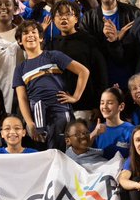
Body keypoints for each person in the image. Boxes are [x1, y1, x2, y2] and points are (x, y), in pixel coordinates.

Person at [13, 20, 89, 150]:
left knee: (61, 151)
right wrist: (30, 122)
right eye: (25, 33)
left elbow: (83, 71)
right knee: (41, 153)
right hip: (37, 114)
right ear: (20, 41)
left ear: (41, 37)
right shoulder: (20, 69)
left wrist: (76, 97)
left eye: (34, 32)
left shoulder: (53, 56)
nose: (30, 35)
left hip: (60, 111)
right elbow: (22, 98)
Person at [91, 87, 135, 160]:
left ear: (121, 106)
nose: (104, 106)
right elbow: (81, 151)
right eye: (102, 103)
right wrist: (93, 134)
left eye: (110, 103)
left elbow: (134, 157)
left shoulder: (131, 130)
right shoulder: (95, 129)